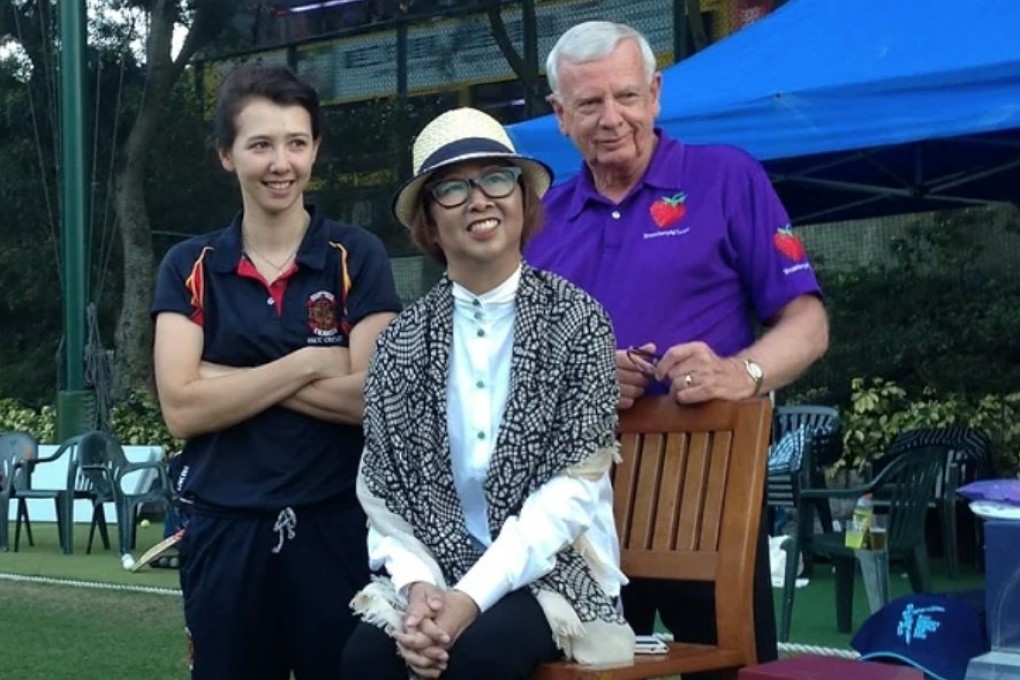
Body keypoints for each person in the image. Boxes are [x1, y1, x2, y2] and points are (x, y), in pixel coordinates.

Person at [525, 20, 830, 673]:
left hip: (714, 498)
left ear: (656, 94)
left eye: (627, 97)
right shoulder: (539, 222)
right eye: (589, 104)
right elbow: (511, 376)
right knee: (586, 675)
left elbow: (807, 323)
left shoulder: (727, 177)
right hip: (583, 518)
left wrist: (739, 371)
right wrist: (583, 377)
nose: (612, 118)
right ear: (559, 116)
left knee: (730, 671)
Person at [340, 107, 634, 680]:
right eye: (452, 188)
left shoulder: (578, 321)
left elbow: (569, 498)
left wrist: (468, 599)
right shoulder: (401, 342)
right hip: (437, 571)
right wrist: (421, 588)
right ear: (428, 221)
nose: (479, 199)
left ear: (523, 199)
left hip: (554, 573)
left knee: (475, 656)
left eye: (497, 179)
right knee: (364, 660)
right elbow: (385, 497)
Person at [150, 64, 401, 680]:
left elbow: (372, 399)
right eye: (260, 144)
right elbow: (181, 410)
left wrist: (224, 378)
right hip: (222, 531)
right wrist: (311, 361)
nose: (279, 162)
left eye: (295, 142)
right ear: (226, 156)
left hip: (337, 528)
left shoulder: (356, 254)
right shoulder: (191, 264)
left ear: (315, 149)